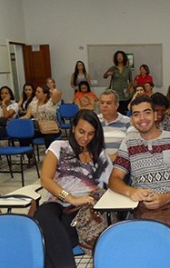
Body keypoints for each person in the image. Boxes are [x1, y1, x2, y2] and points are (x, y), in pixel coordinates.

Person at [108, 95, 170, 268]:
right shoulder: (129, 143)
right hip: (143, 208)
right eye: (136, 114)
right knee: (133, 250)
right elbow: (114, 179)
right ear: (132, 119)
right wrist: (131, 192)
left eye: (147, 113)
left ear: (155, 115)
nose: (142, 119)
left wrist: (166, 197)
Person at [34, 109, 113, 268]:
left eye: (90, 134)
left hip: (82, 207)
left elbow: (110, 184)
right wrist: (71, 198)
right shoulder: (59, 146)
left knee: (51, 237)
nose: (85, 138)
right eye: (81, 131)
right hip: (56, 200)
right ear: (73, 128)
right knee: (43, 216)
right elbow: (45, 180)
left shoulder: (100, 155)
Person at [21, 84, 61, 149]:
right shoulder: (33, 103)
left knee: (48, 137)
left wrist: (50, 90)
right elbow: (27, 115)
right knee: (24, 135)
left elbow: (58, 92)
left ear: (45, 94)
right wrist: (19, 119)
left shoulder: (51, 102)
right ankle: (30, 157)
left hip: (51, 128)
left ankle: (50, 156)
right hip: (39, 128)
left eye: (38, 92)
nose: (36, 93)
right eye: (36, 91)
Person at [98, 89, 131, 161]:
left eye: (108, 103)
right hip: (99, 163)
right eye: (102, 103)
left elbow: (131, 145)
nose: (104, 105)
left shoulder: (127, 122)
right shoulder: (94, 121)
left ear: (116, 105)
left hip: (121, 162)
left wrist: (115, 157)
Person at [103, 50, 132, 115]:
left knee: (124, 112)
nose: (119, 57)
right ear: (115, 58)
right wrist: (108, 74)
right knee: (116, 112)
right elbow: (104, 76)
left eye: (121, 56)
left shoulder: (127, 69)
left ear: (124, 57)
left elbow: (131, 81)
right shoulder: (113, 68)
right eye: (118, 56)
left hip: (125, 94)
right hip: (115, 93)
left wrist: (128, 88)